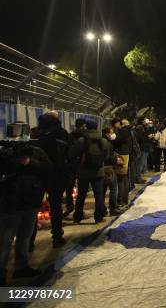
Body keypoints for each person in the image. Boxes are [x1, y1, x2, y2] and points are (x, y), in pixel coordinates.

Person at [0, 141, 52, 285]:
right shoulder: (6, 153)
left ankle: (21, 267)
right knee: (5, 241)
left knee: (25, 237)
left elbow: (47, 169)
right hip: (10, 205)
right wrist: (12, 159)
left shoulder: (37, 152)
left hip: (31, 203)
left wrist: (30, 162)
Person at [31, 112, 70, 248]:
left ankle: (29, 242)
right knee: (55, 207)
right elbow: (69, 154)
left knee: (34, 208)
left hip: (38, 175)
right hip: (56, 176)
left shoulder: (35, 134)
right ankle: (57, 237)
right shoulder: (62, 134)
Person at [70, 121, 118, 223]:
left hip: (83, 172)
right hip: (98, 172)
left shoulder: (81, 140)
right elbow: (106, 156)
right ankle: (98, 217)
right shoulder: (103, 141)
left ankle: (77, 217)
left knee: (81, 196)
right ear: (97, 128)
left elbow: (72, 154)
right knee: (99, 195)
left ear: (86, 127)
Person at [64, 118, 87, 217]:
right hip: (83, 165)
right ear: (83, 125)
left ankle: (69, 204)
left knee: (69, 186)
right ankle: (79, 210)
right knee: (82, 189)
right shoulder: (86, 136)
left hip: (71, 164)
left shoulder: (70, 136)